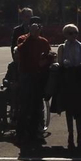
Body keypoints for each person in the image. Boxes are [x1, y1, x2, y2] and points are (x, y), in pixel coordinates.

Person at [13, 19, 53, 149]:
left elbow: (48, 56)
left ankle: (36, 132)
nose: (36, 30)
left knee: (37, 105)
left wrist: (47, 60)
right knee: (24, 105)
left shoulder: (43, 42)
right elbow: (20, 50)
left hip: (38, 75)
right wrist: (30, 37)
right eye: (33, 28)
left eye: (38, 28)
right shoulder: (22, 39)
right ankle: (20, 134)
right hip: (26, 74)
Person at [55, 22, 81, 150]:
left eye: (76, 33)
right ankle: (70, 135)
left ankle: (80, 136)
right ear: (65, 34)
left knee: (80, 110)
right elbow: (59, 63)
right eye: (71, 33)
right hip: (67, 80)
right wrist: (64, 64)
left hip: (79, 79)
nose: (74, 35)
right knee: (69, 110)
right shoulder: (62, 47)